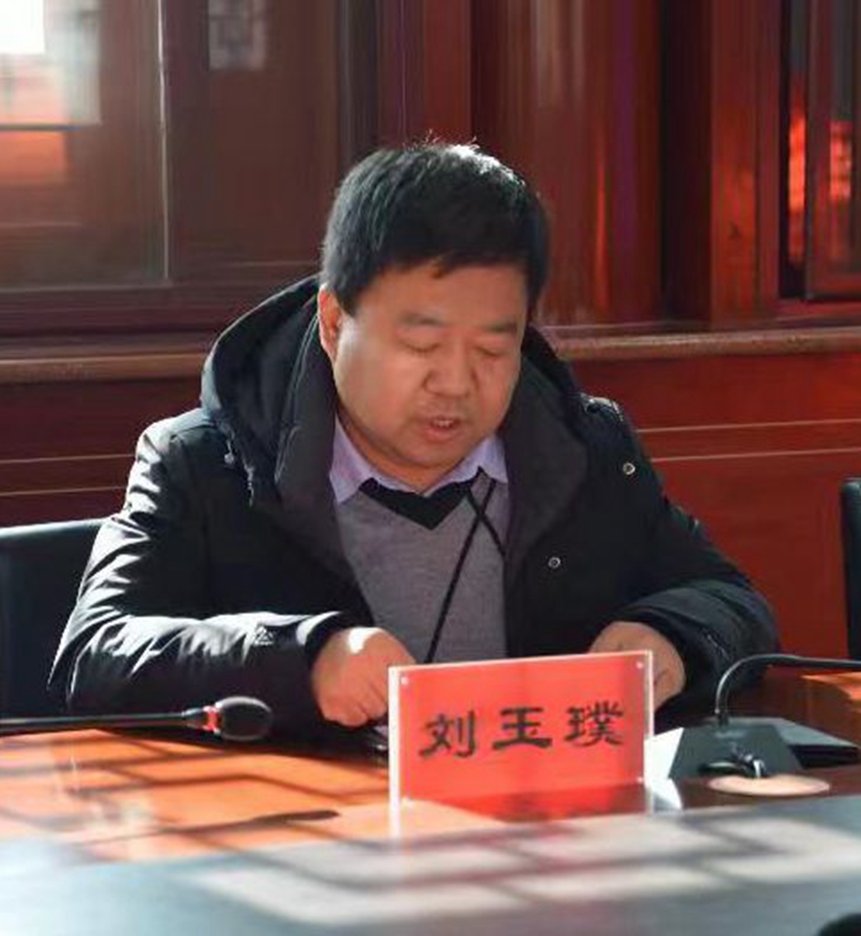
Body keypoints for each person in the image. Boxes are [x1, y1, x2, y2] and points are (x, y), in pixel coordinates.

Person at [49, 143, 777, 736]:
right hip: (314, 846)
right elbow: (95, 654)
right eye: (421, 345)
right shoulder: (204, 463)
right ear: (334, 322)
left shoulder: (585, 452)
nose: (456, 383)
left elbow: (732, 599)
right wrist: (304, 659)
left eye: (493, 349)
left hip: (549, 844)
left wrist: (669, 637)